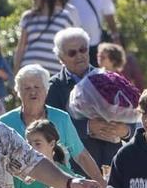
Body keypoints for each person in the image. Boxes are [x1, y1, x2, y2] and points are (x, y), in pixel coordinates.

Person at [48, 28, 131, 172]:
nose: (79, 56)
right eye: (72, 53)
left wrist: (125, 130)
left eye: (83, 49)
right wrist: (87, 127)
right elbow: (51, 126)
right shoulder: (53, 87)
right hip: (75, 171)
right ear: (61, 58)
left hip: (112, 165)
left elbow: (132, 120)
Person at [15, 0, 77, 71]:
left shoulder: (65, 16)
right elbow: (21, 47)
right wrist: (16, 71)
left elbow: (71, 44)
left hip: (53, 70)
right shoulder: (28, 17)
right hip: (29, 69)